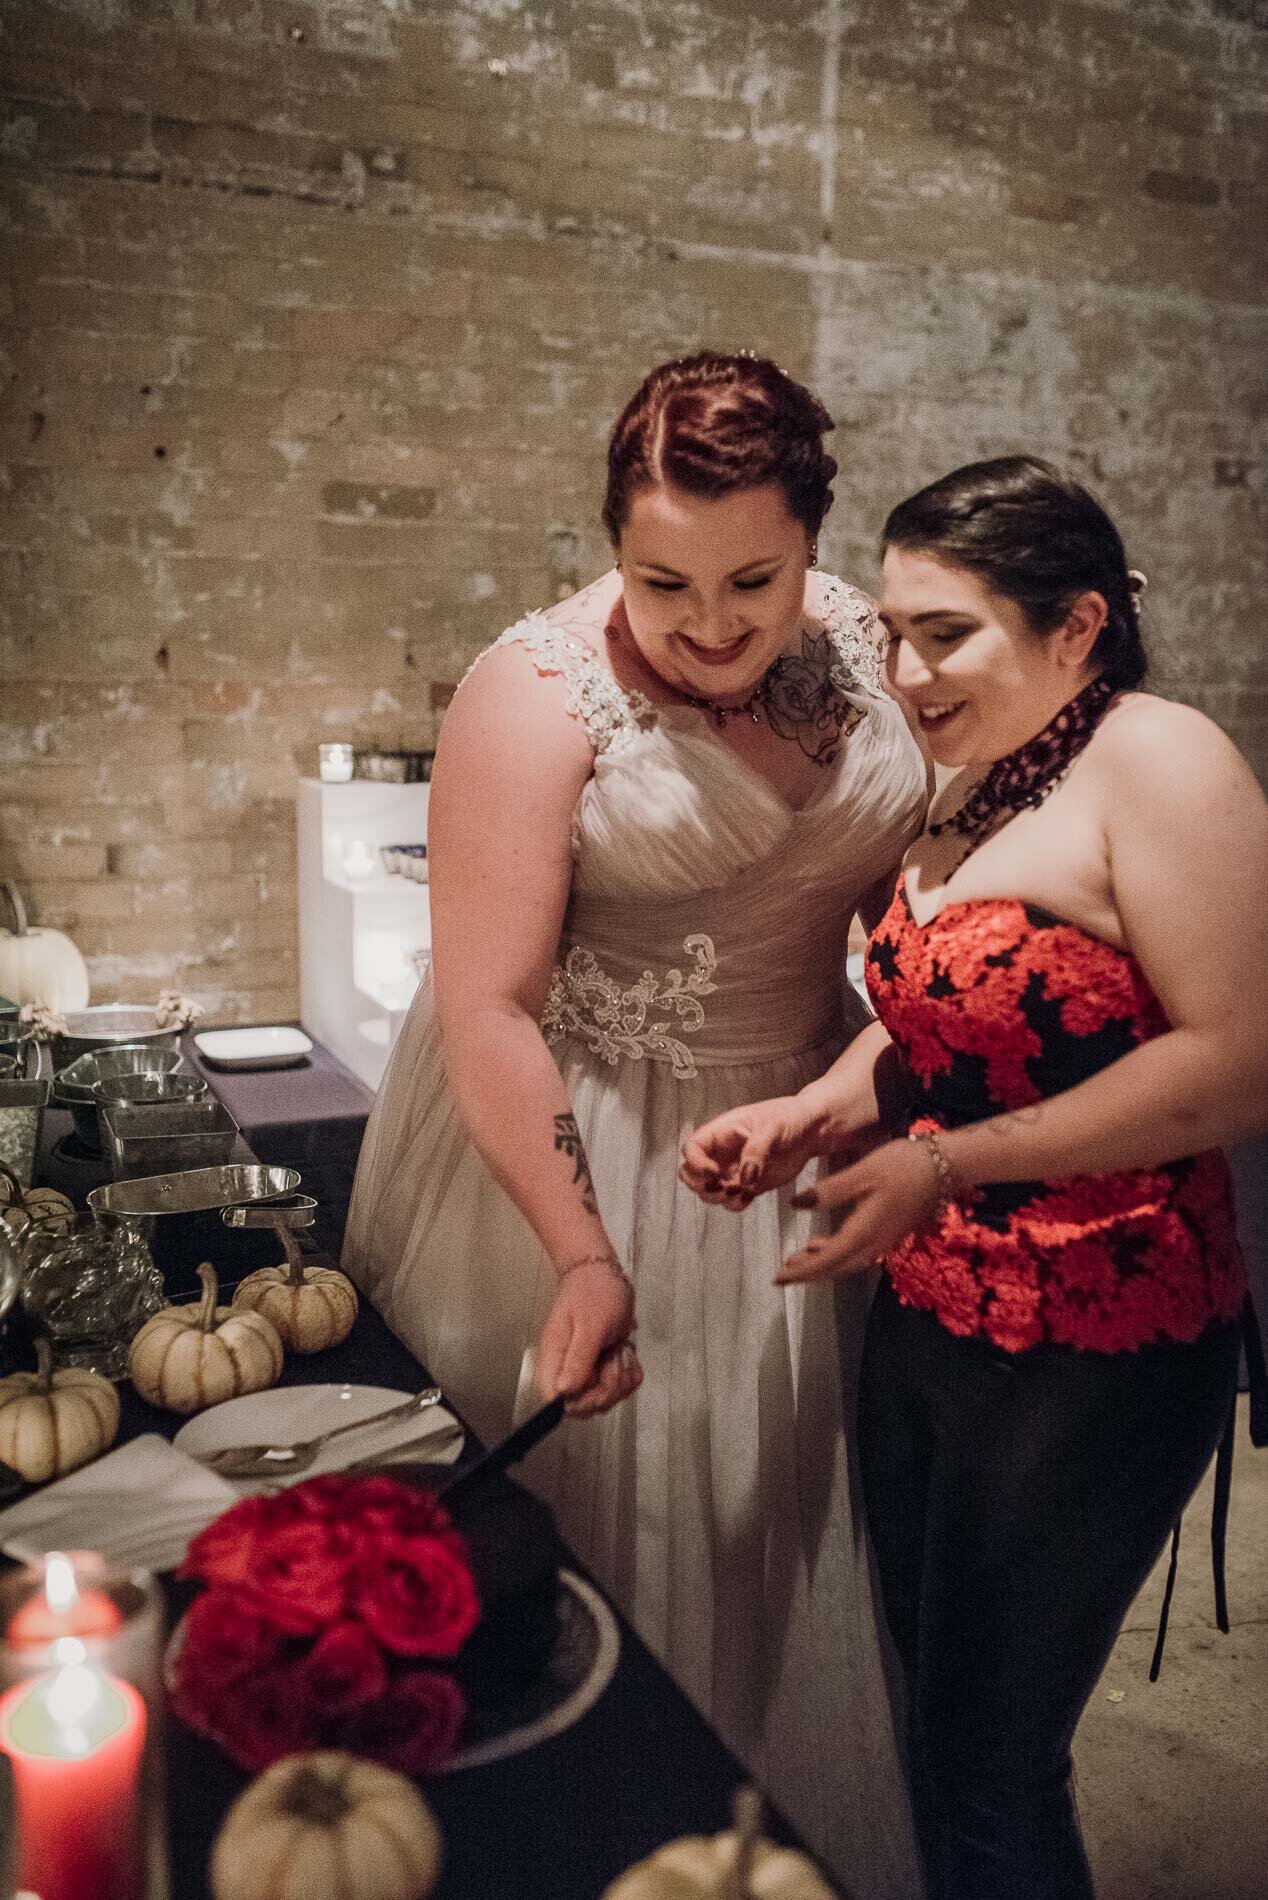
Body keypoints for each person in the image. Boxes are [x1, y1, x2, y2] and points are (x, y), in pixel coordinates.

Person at [342, 352, 927, 1894]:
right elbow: (488, 1007)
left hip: (805, 1130)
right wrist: (584, 1254)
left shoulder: (870, 642)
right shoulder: (532, 698)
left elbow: (901, 880)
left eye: (758, 577)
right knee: (609, 1556)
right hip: (588, 1140)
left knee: (780, 1537)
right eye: (662, 581)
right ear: (611, 540)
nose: (715, 623)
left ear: (817, 539)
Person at [681, 454, 1268, 1900]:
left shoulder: (1161, 758)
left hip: (1103, 1338)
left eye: (947, 632)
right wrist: (808, 1112)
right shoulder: (964, 793)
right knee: (926, 1729)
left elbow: (1241, 1060)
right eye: (891, 629)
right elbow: (934, 1018)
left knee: (992, 1765)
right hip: (934, 1314)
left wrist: (945, 1165)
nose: (903, 665)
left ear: (1076, 627)